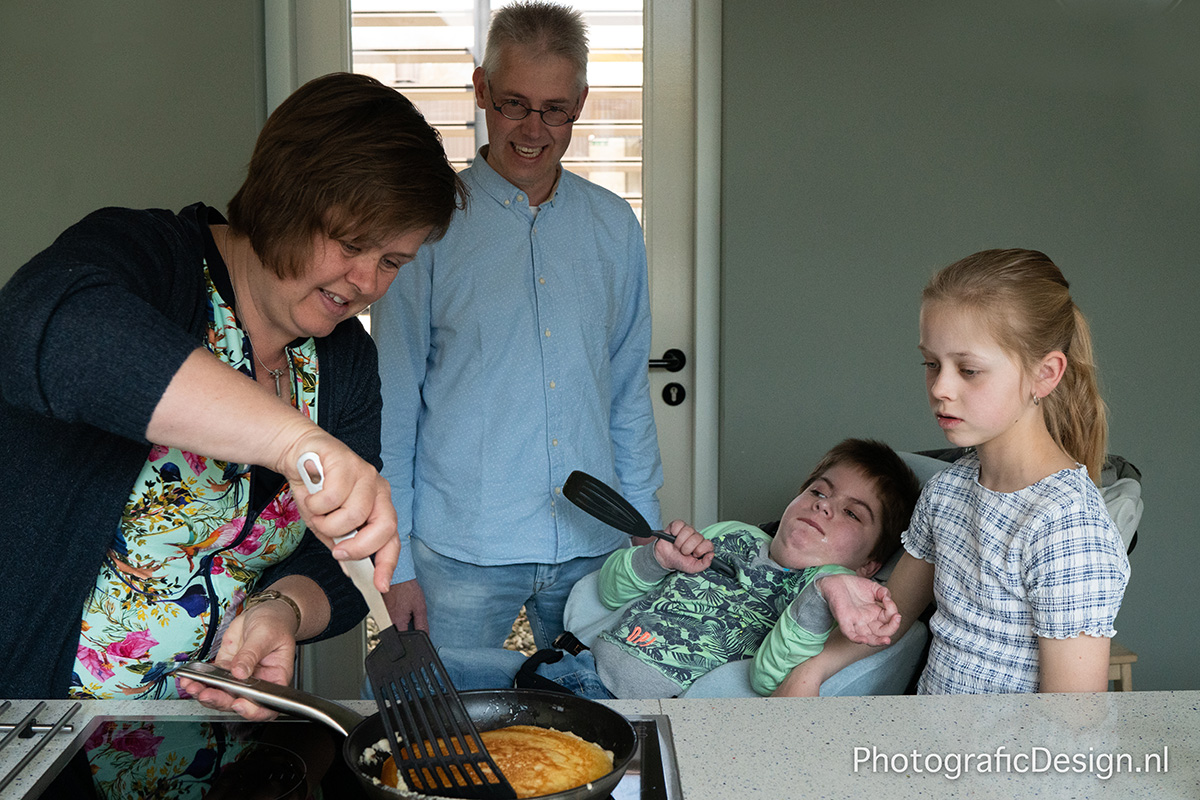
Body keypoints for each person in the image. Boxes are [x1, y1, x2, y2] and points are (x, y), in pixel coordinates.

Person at [0, 72, 467, 718]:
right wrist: (294, 440)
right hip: (43, 731)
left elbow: (345, 566)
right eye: (352, 243)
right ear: (285, 194)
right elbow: (45, 330)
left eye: (392, 262)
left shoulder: (344, 359)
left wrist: (282, 610)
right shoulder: (158, 264)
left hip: (203, 738)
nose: (365, 282)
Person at [373, 1, 663, 650]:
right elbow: (393, 403)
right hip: (462, 549)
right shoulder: (424, 229)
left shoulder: (615, 229)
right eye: (513, 103)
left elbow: (625, 392)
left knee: (603, 724)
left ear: (581, 103)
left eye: (554, 108)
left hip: (596, 547)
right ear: (480, 90)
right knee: (448, 735)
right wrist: (395, 563)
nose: (533, 129)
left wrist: (645, 529)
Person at [781, 249, 1131, 696]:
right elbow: (893, 614)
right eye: (932, 364)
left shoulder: (1068, 528)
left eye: (968, 370)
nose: (941, 388)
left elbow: (1072, 720)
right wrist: (812, 670)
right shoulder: (948, 492)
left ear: (1044, 375)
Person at [437, 439, 920, 698]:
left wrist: (828, 592)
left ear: (871, 563)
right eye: (819, 490)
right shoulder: (735, 534)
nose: (824, 507)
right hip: (573, 664)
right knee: (426, 676)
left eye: (853, 513)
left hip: (625, 711)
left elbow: (772, 678)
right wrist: (657, 558)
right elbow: (608, 591)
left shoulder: (826, 590)